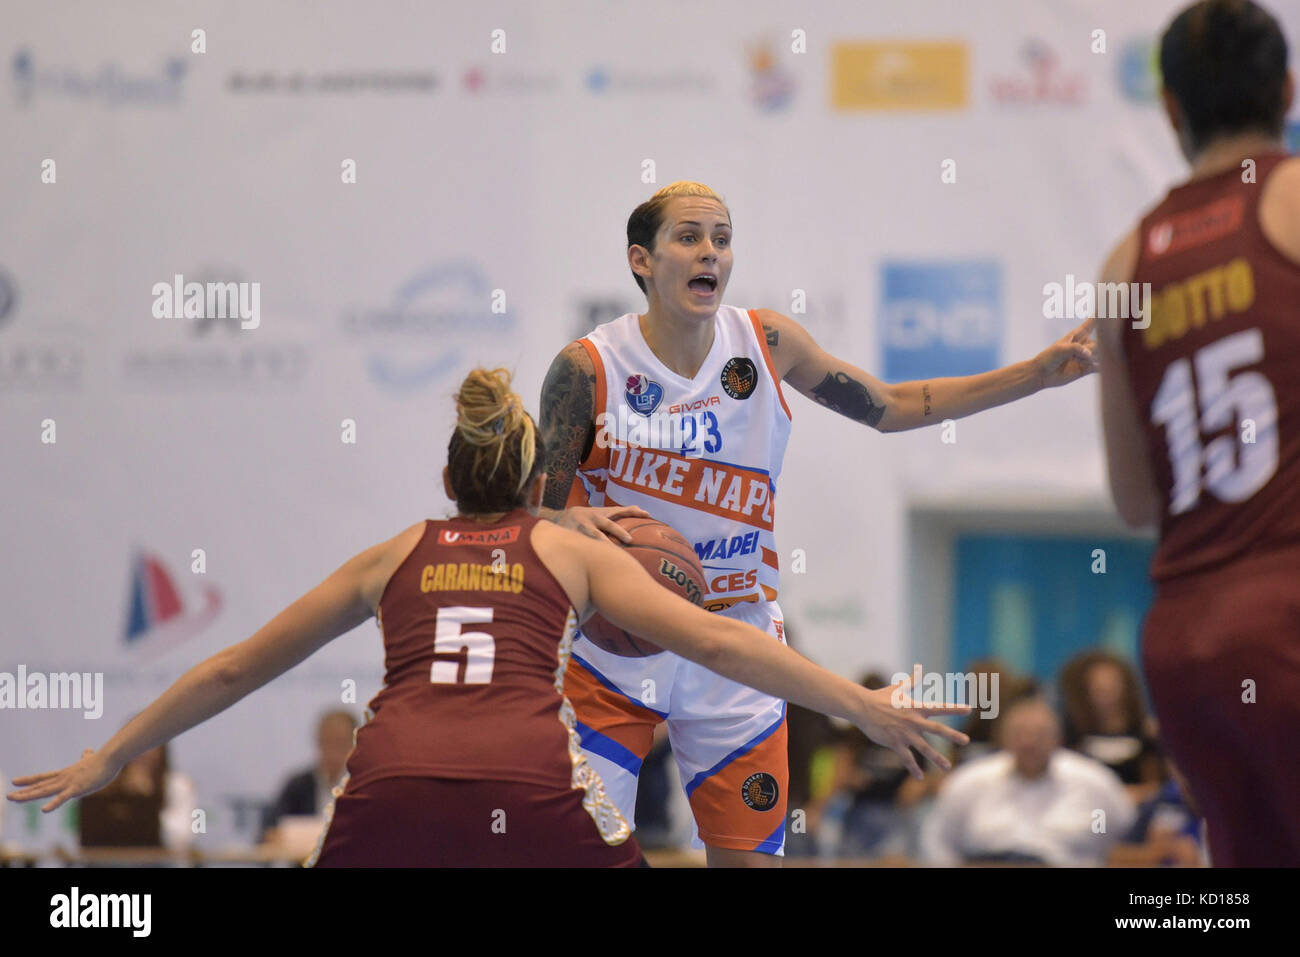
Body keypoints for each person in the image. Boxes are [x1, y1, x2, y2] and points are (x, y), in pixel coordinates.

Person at [7, 368, 970, 867]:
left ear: (447, 479)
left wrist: (113, 754)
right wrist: (862, 704)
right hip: (533, 782)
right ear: (533, 483)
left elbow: (231, 670)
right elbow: (722, 637)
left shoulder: (391, 555)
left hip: (389, 788)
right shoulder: (572, 550)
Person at [537, 180, 1096, 866]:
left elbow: (890, 404)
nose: (710, 251)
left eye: (721, 237)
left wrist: (1034, 375)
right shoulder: (587, 369)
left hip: (736, 634)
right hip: (615, 643)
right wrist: (561, 519)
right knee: (579, 852)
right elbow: (533, 515)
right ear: (642, 260)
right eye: (689, 237)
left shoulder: (765, 342)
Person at [1093, 0, 1300, 866]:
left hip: (1183, 648)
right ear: (1288, 90)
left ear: (1171, 109)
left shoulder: (1125, 262)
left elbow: (1136, 499)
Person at [920, 696, 1136, 867]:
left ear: (1058, 738)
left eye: (1040, 735)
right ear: (1003, 738)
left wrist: (1096, 841)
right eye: (1020, 734)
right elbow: (939, 841)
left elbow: (1119, 832)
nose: (1029, 743)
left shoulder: (1093, 783)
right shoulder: (969, 783)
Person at [1057, 650, 1164, 804]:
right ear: (1085, 693)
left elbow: (1155, 786)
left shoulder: (1146, 736)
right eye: (1099, 689)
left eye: (1112, 687)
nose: (1107, 696)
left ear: (1126, 688)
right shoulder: (1074, 737)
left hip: (1137, 811)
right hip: (1091, 811)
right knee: (1098, 824)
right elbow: (1068, 783)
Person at [262, 709, 358, 840]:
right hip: (304, 859)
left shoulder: (366, 786)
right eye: (327, 741)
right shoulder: (297, 786)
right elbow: (269, 830)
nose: (332, 749)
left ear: (354, 744)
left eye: (340, 742)